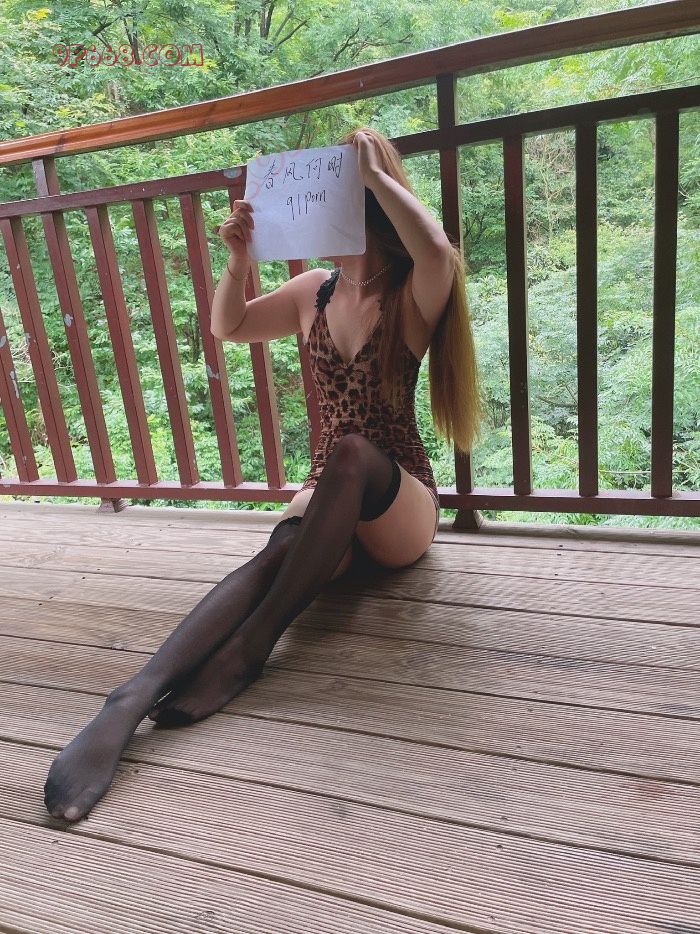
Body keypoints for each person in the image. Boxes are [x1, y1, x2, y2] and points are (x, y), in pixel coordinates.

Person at [43, 127, 484, 823]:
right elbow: (231, 326)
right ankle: (132, 696)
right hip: (328, 495)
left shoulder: (412, 288)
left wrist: (375, 174)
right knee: (282, 543)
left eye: (334, 196)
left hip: (398, 501)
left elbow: (434, 249)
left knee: (351, 453)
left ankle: (250, 647)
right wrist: (237, 259)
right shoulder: (315, 290)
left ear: (362, 204)